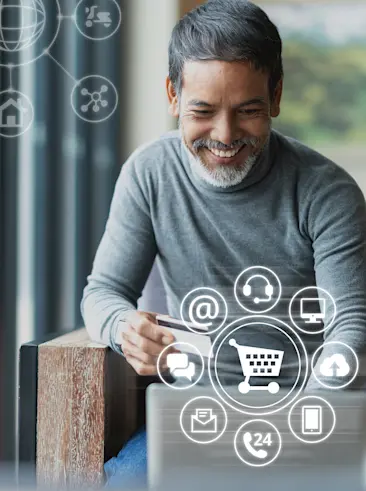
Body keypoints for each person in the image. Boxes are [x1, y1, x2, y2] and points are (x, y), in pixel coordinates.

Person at [80, 0, 366, 487]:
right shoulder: (149, 174)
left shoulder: (326, 191)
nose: (225, 135)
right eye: (203, 111)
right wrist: (125, 328)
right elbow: (101, 293)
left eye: (248, 111)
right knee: (126, 481)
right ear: (173, 95)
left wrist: (294, 428)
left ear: (276, 97)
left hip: (313, 412)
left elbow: (352, 329)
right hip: (195, 416)